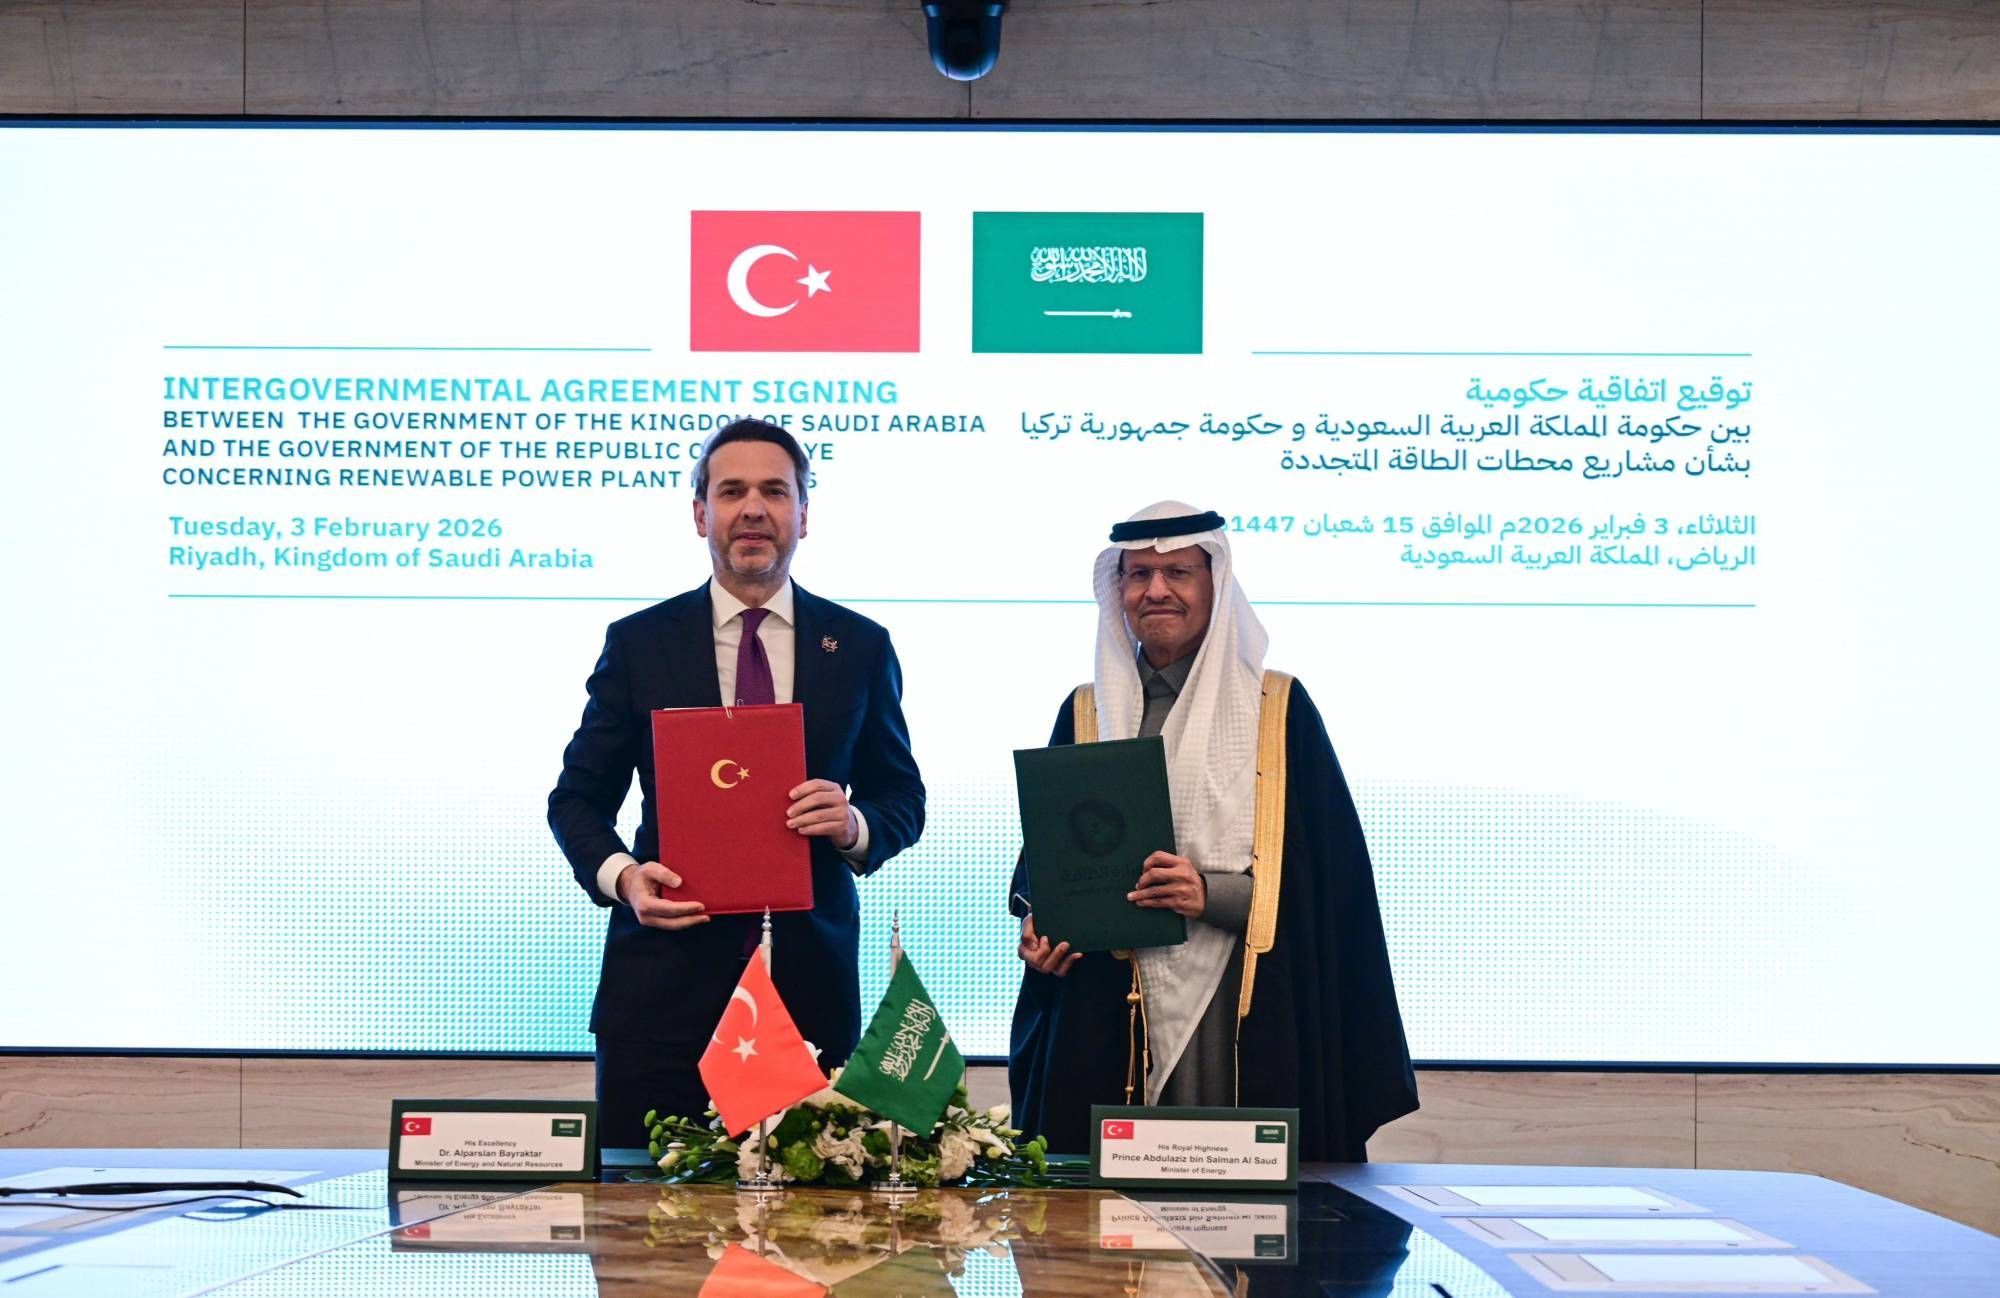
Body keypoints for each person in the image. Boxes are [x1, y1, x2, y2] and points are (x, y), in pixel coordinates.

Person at [548, 418, 925, 1149]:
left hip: (808, 1000)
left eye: (775, 492)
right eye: (732, 492)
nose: (753, 509)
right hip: (660, 1001)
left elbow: (902, 798)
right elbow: (576, 799)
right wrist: (624, 878)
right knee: (639, 1214)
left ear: (804, 515)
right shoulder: (639, 643)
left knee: (809, 1216)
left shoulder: (859, 646)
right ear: (701, 515)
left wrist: (854, 824)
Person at [1008, 501, 1417, 1161]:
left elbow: (1328, 886)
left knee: (1236, 1203)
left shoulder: (1277, 709)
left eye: (1178, 572)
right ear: (1118, 589)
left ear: (1214, 585)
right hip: (1109, 1007)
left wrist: (1212, 894)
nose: (1156, 590)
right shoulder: (1088, 709)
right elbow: (1044, 861)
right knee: (1102, 1213)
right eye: (1138, 574)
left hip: (1240, 1001)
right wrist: (1039, 925)